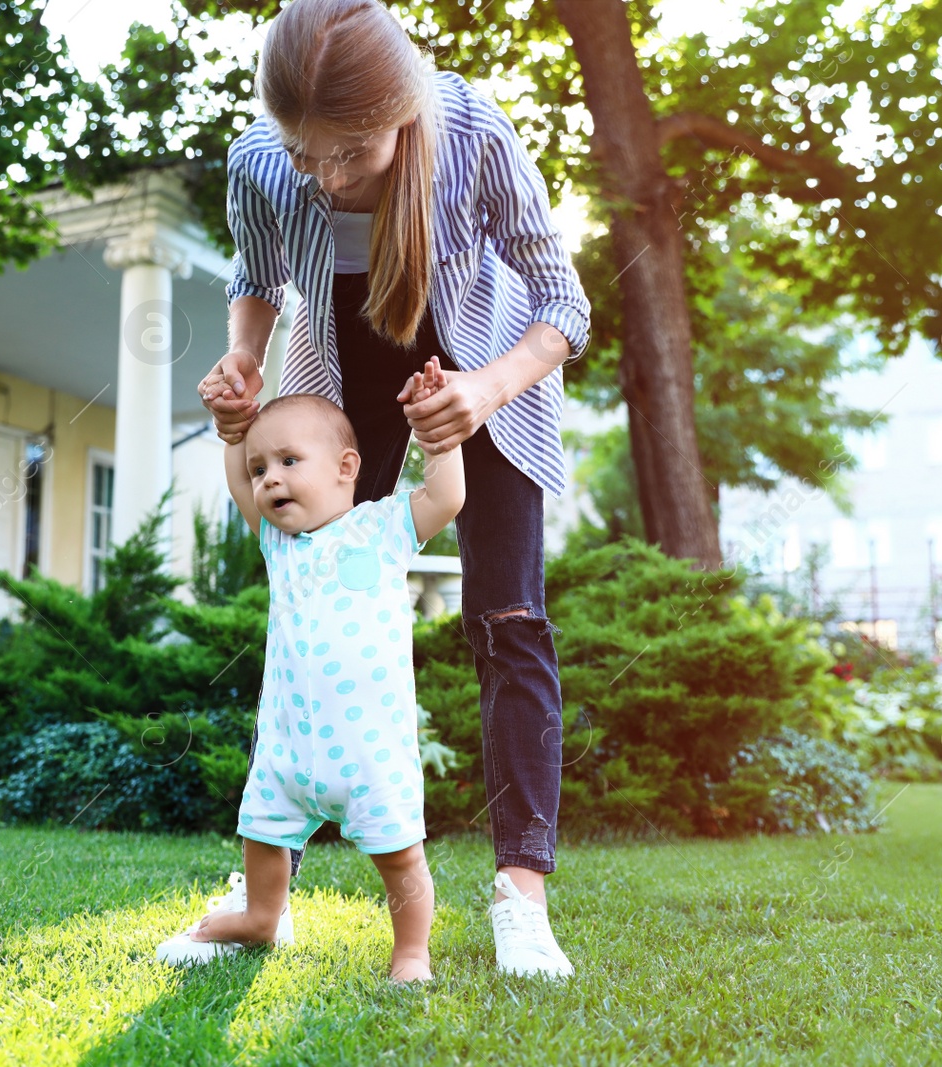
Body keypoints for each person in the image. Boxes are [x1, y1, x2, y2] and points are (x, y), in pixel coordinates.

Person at [197, 0, 590, 979]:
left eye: (346, 154)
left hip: (479, 369)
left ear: (403, 113)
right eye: (303, 152)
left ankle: (519, 897)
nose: (320, 177)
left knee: (507, 619)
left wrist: (482, 392)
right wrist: (244, 358)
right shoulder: (261, 161)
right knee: (305, 607)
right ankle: (264, 901)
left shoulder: (469, 133)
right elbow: (256, 277)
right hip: (340, 372)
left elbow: (562, 302)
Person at [156, 363, 464, 984]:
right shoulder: (278, 545)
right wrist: (232, 437)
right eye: (260, 469)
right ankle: (260, 918)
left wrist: (439, 441)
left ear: (345, 468)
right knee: (263, 837)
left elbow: (445, 498)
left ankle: (411, 953)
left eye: (288, 461)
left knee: (401, 858)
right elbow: (240, 488)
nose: (269, 480)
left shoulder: (382, 528)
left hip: (370, 750)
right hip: (287, 749)